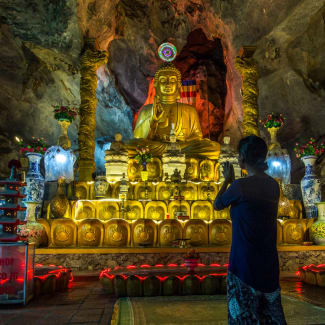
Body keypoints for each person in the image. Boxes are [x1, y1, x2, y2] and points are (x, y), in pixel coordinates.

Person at [214, 135, 287, 324]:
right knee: (270, 316)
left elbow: (217, 204)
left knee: (244, 317)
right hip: (268, 261)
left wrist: (227, 180)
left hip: (244, 262)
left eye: (239, 155)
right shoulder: (273, 186)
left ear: (244, 159)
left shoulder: (239, 186)